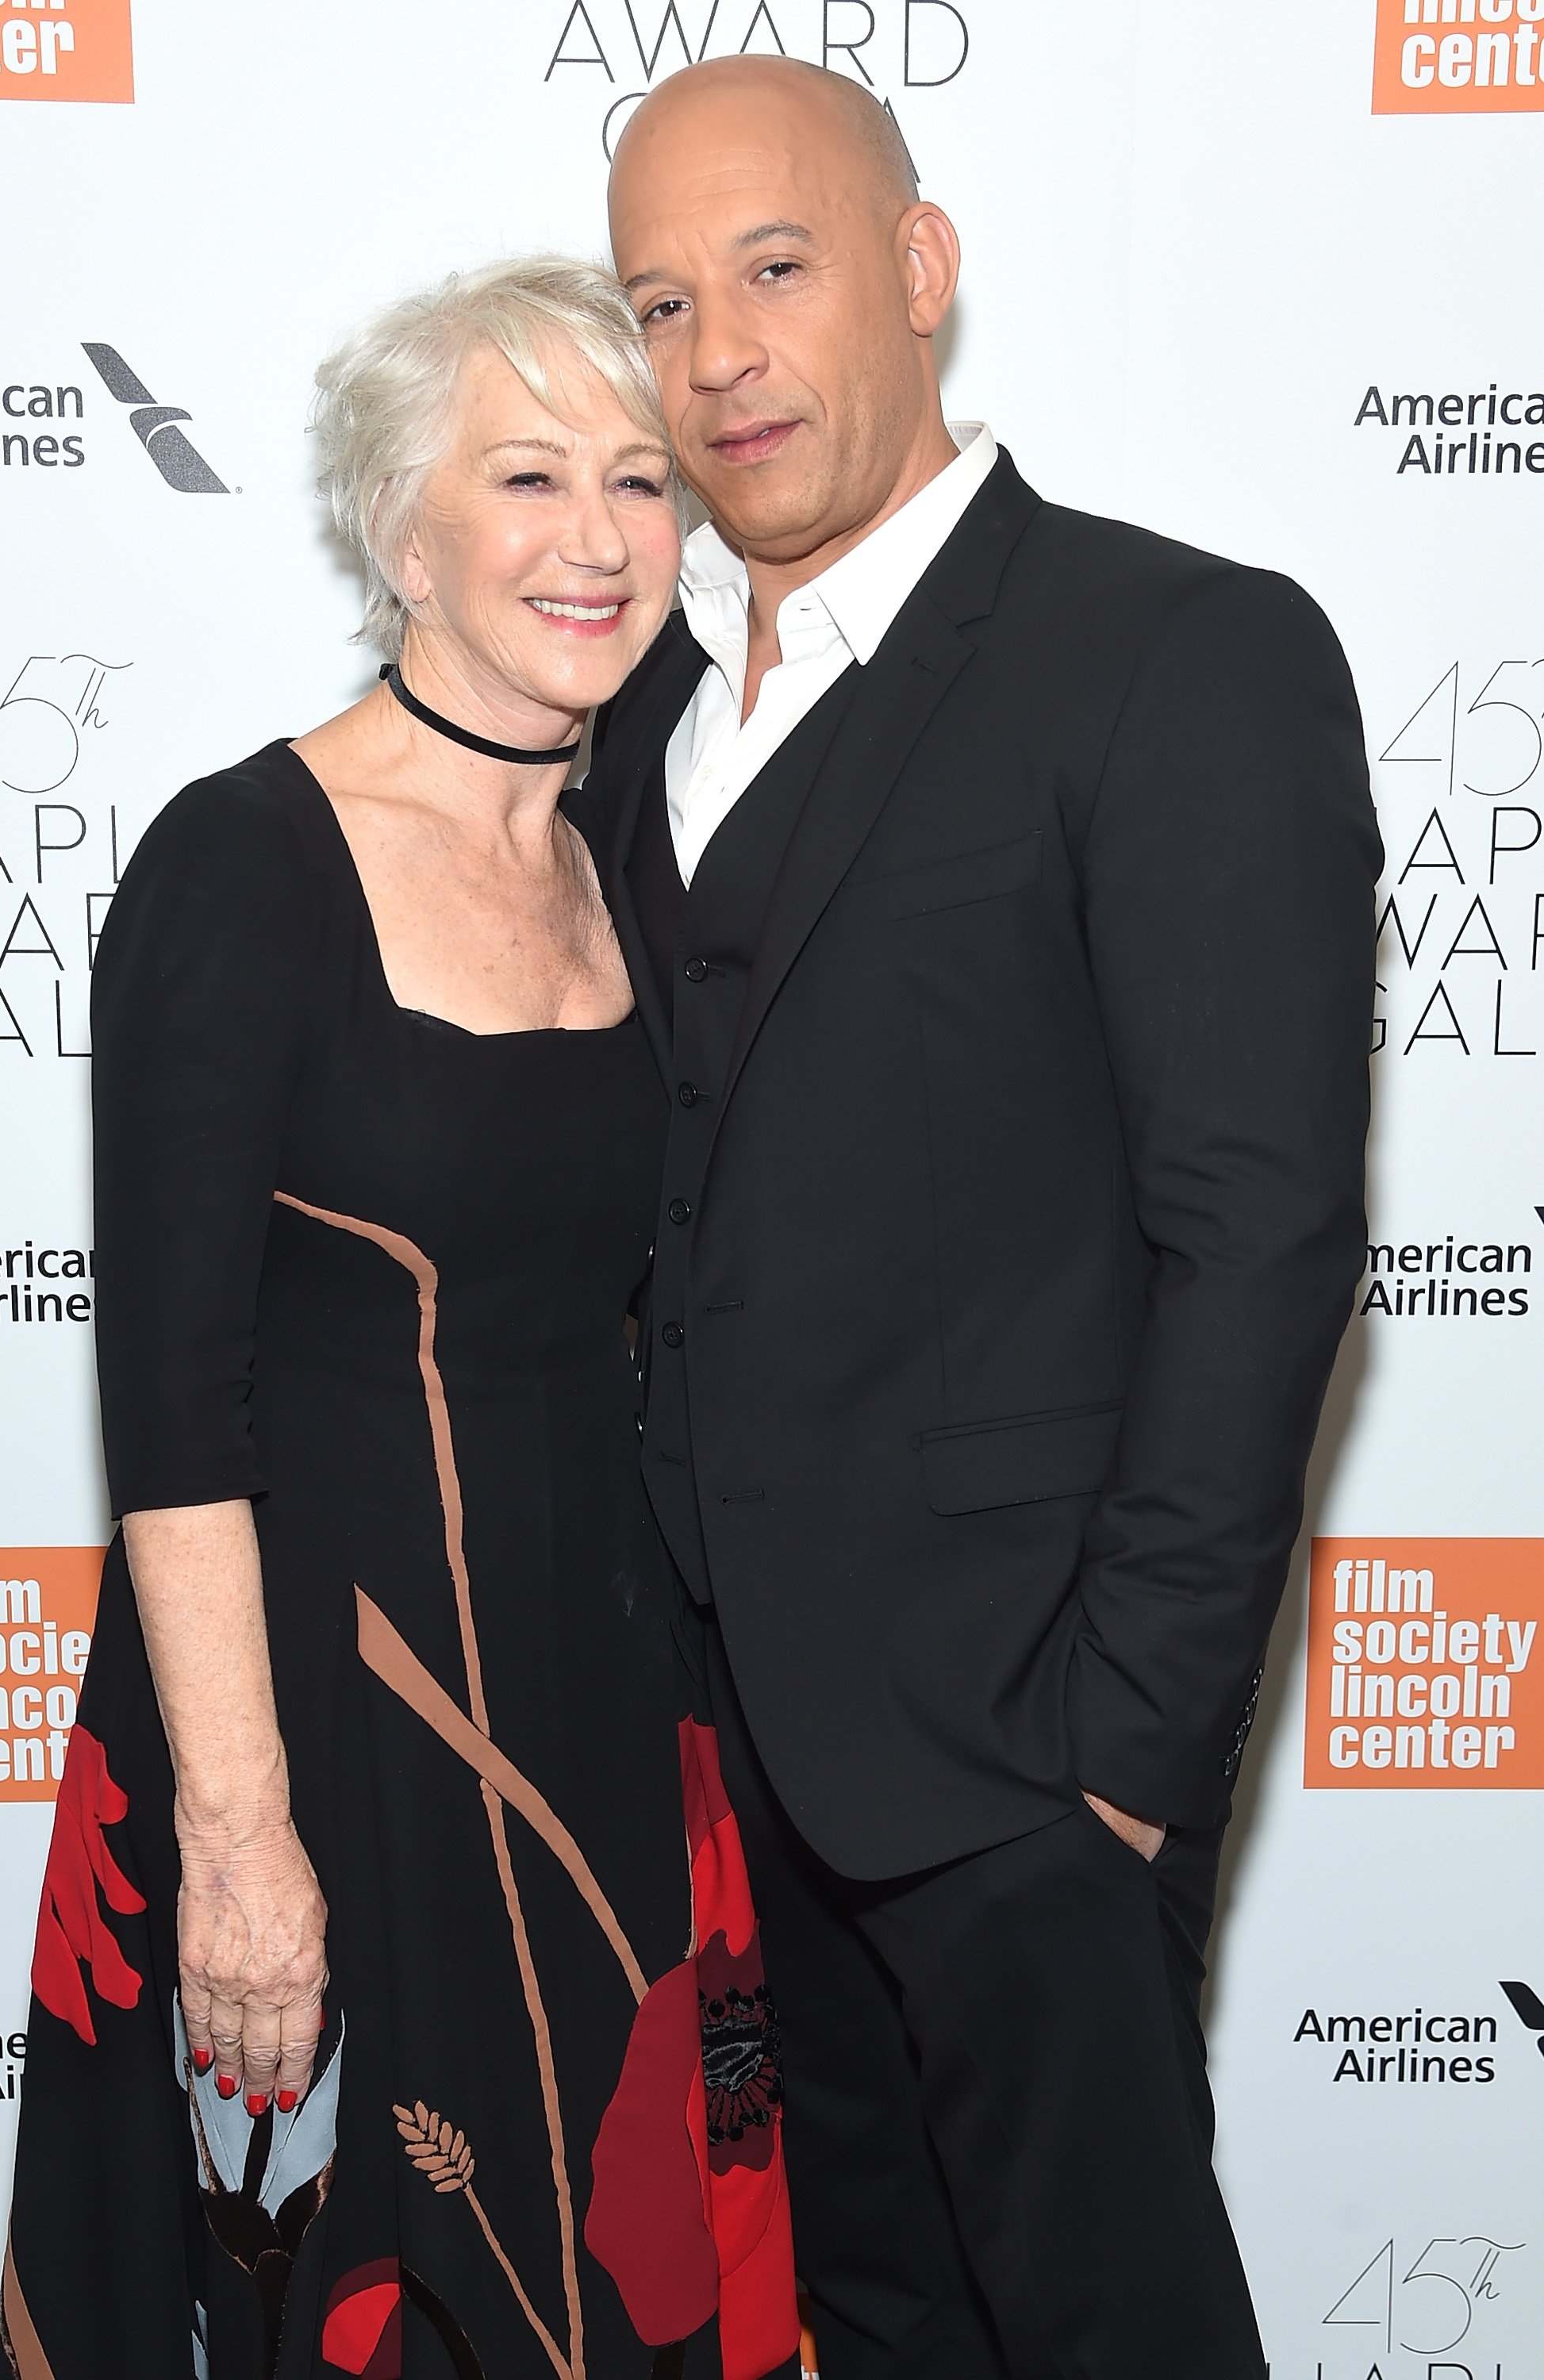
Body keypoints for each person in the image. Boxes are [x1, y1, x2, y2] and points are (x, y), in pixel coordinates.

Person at [575, 58, 1382, 2380]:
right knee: (860, 2329)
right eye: (657, 299)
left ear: (916, 274)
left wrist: (1116, 1759)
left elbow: (1259, 1235)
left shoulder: (1176, 657)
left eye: (775, 266)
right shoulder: (623, 723)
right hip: (720, 1776)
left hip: (1026, 1764)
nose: (715, 348)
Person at [0, 261, 798, 2380]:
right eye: (526, 475)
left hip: (611, 1708)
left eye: (641, 479)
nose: (600, 536)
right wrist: (238, 1845)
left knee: (611, 2277)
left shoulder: (650, 841)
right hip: (322, 1716)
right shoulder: (243, 863)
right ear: (399, 534)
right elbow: (168, 1407)